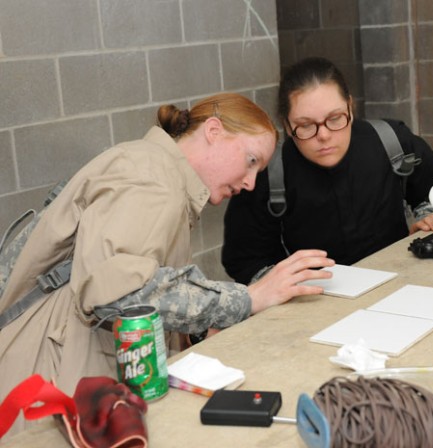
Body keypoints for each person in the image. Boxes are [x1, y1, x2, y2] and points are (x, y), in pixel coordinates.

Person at [0, 93, 334, 436]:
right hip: (47, 374)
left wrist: (199, 327)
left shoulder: (155, 171)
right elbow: (119, 293)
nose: (250, 183)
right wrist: (247, 299)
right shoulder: (150, 176)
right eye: (250, 160)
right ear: (214, 131)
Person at [222, 57, 433, 285]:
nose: (323, 135)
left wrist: (429, 219)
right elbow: (244, 259)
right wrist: (278, 283)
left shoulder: (391, 142)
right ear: (286, 124)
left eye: (334, 118)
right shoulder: (267, 174)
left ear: (350, 108)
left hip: (399, 284)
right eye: (305, 125)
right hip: (312, 304)